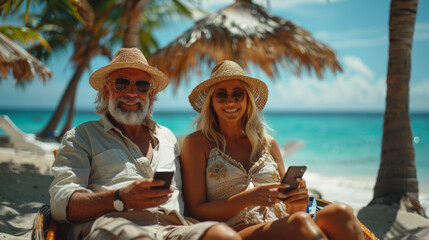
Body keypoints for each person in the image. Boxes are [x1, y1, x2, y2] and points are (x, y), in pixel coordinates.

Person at [49, 48, 241, 240]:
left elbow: (188, 199)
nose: (132, 93)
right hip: (115, 226)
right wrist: (119, 198)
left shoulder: (167, 137)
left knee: (224, 236)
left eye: (142, 86)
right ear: (107, 91)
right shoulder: (82, 137)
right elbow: (60, 204)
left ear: (151, 93)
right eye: (122, 84)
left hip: (172, 230)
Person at [180, 60, 364, 240]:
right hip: (236, 231)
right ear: (211, 102)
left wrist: (299, 199)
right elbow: (196, 210)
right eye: (221, 94)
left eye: (238, 94)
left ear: (247, 100)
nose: (230, 101)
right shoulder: (198, 143)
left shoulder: (268, 144)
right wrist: (246, 199)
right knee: (299, 223)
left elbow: (292, 209)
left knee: (342, 212)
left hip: (283, 222)